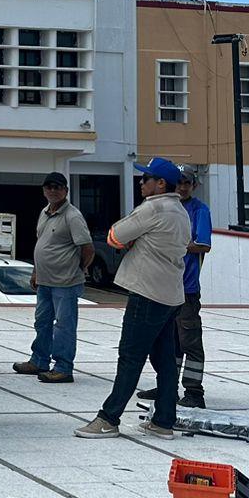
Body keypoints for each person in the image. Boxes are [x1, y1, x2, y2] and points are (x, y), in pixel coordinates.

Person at [75, 158, 190, 440]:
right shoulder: (180, 210)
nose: (141, 182)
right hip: (170, 293)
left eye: (146, 178)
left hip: (147, 292)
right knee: (164, 359)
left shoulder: (153, 207)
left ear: (160, 184)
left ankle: (108, 418)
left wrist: (132, 239)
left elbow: (115, 236)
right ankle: (164, 421)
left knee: (130, 355)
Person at [138, 165, 212, 408]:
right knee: (167, 343)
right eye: (179, 182)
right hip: (162, 287)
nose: (182, 187)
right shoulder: (165, 206)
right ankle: (167, 387)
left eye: (187, 183)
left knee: (189, 341)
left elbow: (202, 244)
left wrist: (172, 245)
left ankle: (194, 392)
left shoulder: (199, 210)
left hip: (187, 289)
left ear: (194, 185)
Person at [13, 172, 94, 384]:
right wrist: (35, 271)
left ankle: (63, 368)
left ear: (66, 190)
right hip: (45, 282)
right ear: (43, 190)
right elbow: (42, 243)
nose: (53, 190)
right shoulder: (44, 212)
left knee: (64, 326)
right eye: (49, 186)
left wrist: (76, 269)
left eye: (57, 187)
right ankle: (39, 360)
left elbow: (87, 249)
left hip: (65, 283)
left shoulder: (73, 216)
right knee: (42, 322)